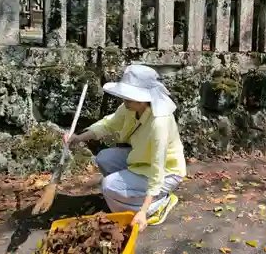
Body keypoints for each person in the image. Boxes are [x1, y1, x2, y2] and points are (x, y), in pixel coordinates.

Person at [64, 64, 187, 232]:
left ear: (145, 98)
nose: (124, 101)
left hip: (166, 172)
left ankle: (157, 205)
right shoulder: (129, 108)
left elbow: (157, 168)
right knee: (104, 158)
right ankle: (126, 197)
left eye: (129, 97)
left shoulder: (160, 122)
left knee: (108, 186)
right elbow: (108, 124)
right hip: (140, 159)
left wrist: (143, 211)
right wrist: (78, 138)